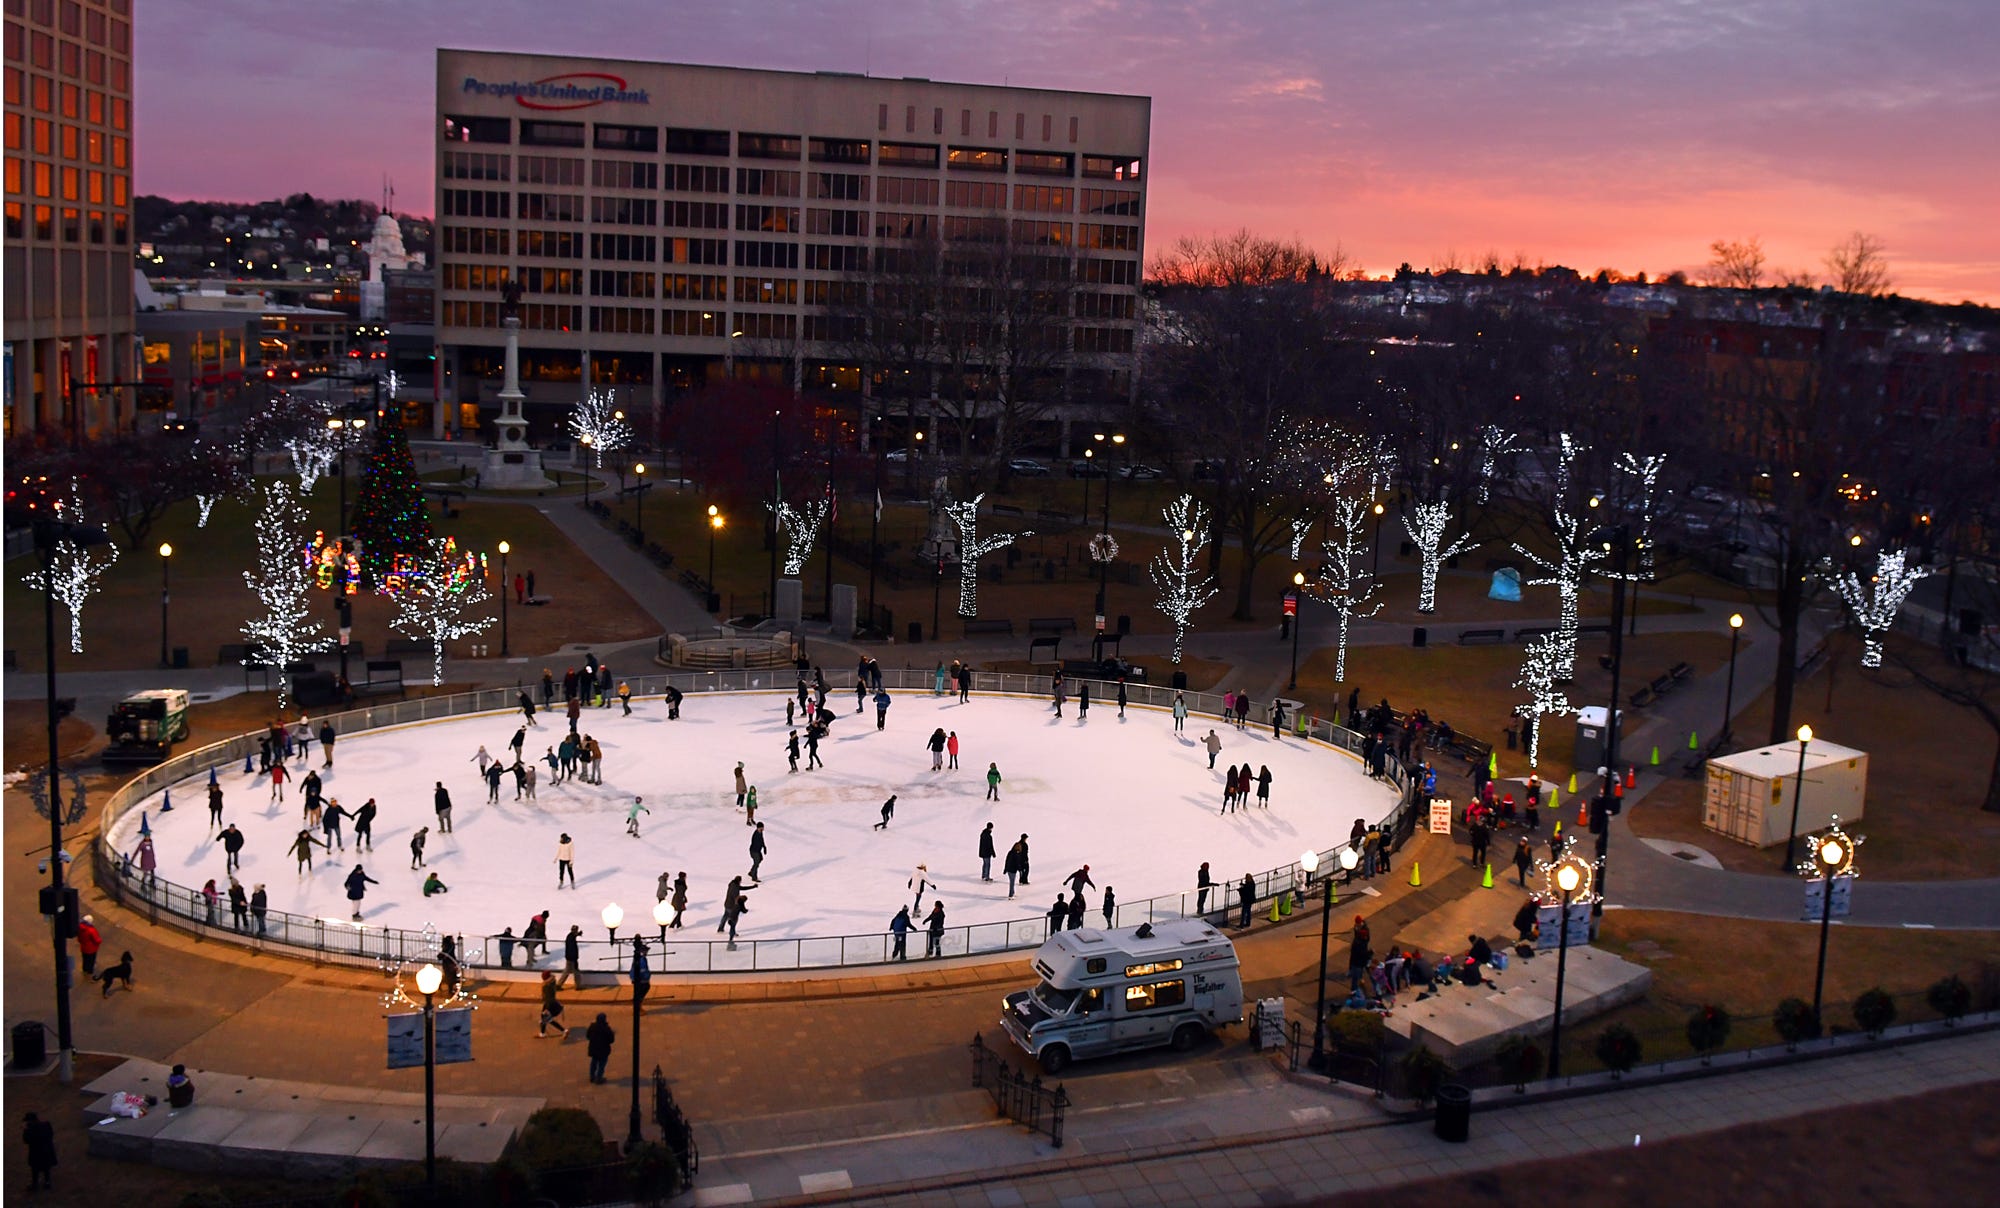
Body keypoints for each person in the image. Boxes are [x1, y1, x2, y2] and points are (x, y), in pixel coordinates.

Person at [22, 1110, 57, 1191]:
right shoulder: (46, 1124)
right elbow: (51, 1134)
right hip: (47, 1150)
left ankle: (35, 1184)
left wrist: (25, 1130)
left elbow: (26, 1140)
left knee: (35, 1169)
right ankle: (47, 1182)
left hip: (36, 1152)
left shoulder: (30, 1129)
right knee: (46, 1167)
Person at [585, 1013, 616, 1083]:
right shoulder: (606, 1029)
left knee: (593, 1063)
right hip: (603, 1050)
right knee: (602, 1064)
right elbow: (611, 1040)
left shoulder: (592, 1026)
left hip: (594, 1049)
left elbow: (588, 1036)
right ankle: (599, 1078)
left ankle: (592, 1076)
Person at [538, 971, 569, 1037]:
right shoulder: (552, 982)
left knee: (548, 1019)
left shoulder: (546, 986)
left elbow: (548, 998)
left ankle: (564, 1030)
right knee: (544, 1018)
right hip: (551, 1003)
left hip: (548, 1004)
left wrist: (547, 1009)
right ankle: (542, 1033)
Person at [555, 924, 583, 988]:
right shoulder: (571, 938)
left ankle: (559, 984)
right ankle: (578, 986)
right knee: (576, 972)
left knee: (567, 972)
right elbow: (572, 949)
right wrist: (574, 959)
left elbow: (574, 935)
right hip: (572, 959)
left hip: (569, 958)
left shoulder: (570, 936)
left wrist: (578, 934)